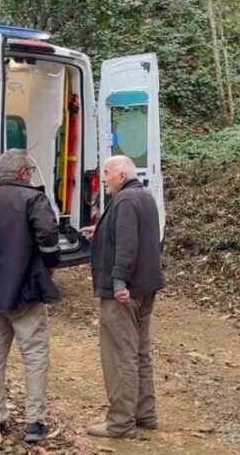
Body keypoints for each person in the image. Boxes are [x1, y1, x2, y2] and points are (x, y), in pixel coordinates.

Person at [0, 149, 60, 444]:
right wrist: (50, 264)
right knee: (34, 355)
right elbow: (47, 235)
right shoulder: (34, 198)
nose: (31, 177)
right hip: (26, 291)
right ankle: (34, 422)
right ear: (22, 173)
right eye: (30, 172)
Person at [84, 156, 164, 439]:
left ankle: (120, 423)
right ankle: (145, 413)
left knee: (121, 355)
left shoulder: (125, 201)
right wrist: (101, 231)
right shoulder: (143, 196)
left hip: (124, 292)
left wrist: (119, 281)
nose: (103, 178)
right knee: (139, 352)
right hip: (144, 288)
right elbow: (135, 235)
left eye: (106, 173)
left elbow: (128, 244)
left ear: (120, 174)